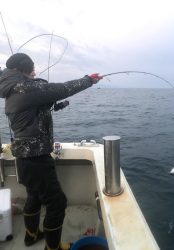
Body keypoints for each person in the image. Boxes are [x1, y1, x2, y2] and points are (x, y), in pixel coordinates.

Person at [0, 53, 102, 250]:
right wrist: (89, 79)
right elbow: (61, 89)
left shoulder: (13, 89)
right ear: (23, 70)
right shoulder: (25, 87)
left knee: (34, 196)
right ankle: (52, 248)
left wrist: (56, 106)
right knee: (57, 203)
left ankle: (31, 235)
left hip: (24, 156)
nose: (34, 72)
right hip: (36, 156)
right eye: (32, 70)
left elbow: (33, 111)